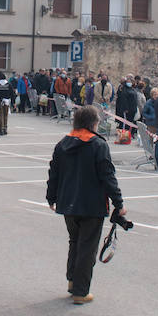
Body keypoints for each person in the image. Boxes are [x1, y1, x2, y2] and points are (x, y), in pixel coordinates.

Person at [46, 105, 125, 305]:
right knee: (87, 248)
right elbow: (108, 176)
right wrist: (119, 203)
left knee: (75, 243)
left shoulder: (63, 143)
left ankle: (73, 281)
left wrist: (51, 197)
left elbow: (53, 173)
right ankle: (81, 291)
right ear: (93, 123)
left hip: (68, 203)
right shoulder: (98, 145)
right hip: (91, 204)